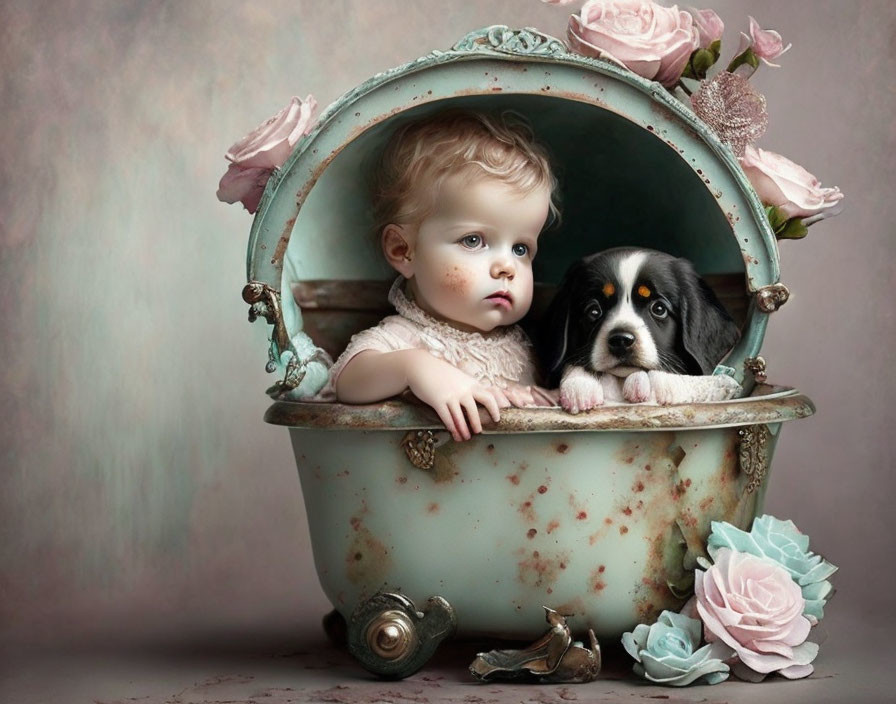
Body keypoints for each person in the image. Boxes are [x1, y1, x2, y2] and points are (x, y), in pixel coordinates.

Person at [331, 109, 559, 441]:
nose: (506, 267)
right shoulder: (405, 339)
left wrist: (542, 400)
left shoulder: (523, 345)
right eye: (473, 240)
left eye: (521, 249)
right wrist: (414, 368)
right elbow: (348, 382)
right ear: (402, 250)